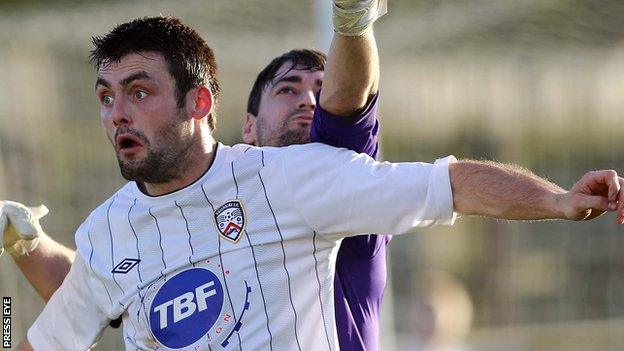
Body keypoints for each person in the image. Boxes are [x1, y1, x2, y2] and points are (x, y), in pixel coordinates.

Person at [8, 9, 624, 351]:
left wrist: (559, 201)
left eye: (138, 92)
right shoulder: (107, 231)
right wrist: (12, 276)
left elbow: (451, 181)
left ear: (200, 103)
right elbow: (78, 314)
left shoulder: (296, 177)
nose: (117, 111)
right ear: (252, 120)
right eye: (106, 96)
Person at [4, 6, 388, 351]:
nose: (309, 101)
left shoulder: (338, 173)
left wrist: (353, 22)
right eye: (288, 89)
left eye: (320, 88)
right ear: (248, 128)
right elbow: (110, 293)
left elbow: (346, 100)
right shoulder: (214, 199)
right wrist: (28, 245)